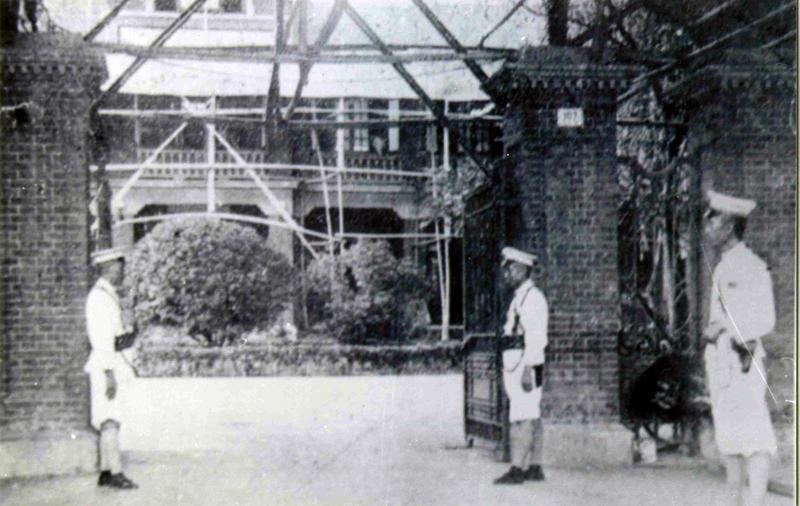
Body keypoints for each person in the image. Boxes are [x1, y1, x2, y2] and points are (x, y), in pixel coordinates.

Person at [702, 190, 777, 506]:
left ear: (730, 225)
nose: (708, 227)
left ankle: (756, 502)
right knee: (730, 439)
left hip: (743, 363)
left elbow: (765, 319)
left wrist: (726, 329)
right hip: (723, 364)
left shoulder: (752, 266)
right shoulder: (723, 266)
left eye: (714, 220)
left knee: (756, 439)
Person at [84, 247, 139, 490]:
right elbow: (101, 338)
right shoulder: (99, 298)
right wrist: (108, 374)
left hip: (111, 363)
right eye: (118, 266)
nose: (122, 271)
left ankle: (106, 471)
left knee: (111, 417)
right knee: (110, 420)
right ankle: (115, 473)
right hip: (106, 365)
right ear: (107, 268)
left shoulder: (107, 295)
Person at [493, 247, 549, 485]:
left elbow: (536, 336)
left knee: (523, 416)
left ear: (523, 270)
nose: (508, 274)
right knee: (530, 414)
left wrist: (528, 368)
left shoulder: (533, 298)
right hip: (518, 361)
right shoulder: (521, 296)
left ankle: (517, 469)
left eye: (512, 269)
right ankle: (535, 466)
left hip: (525, 363)